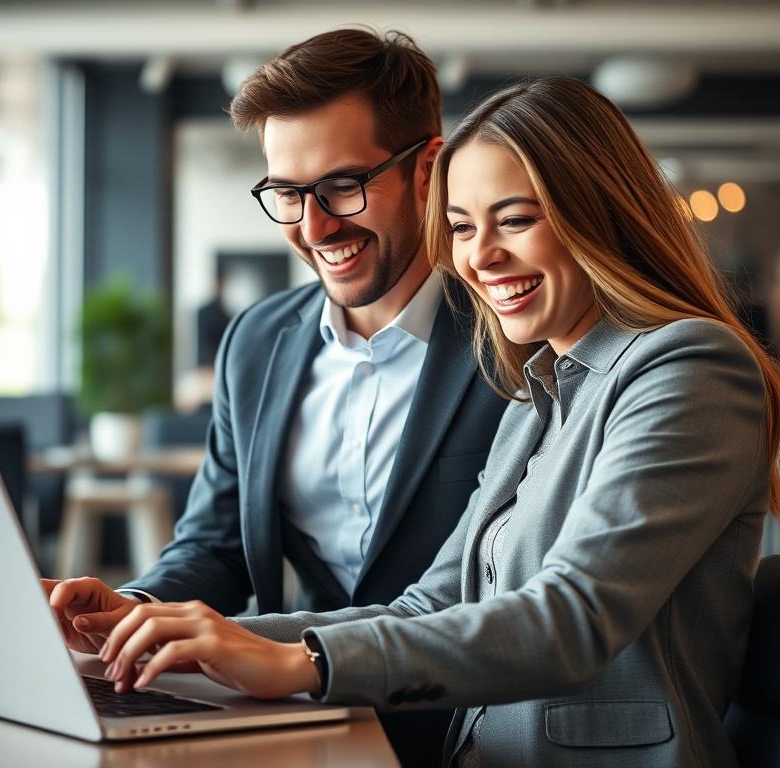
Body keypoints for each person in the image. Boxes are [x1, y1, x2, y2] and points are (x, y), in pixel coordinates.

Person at [73, 76, 780, 767]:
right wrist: (185, 633)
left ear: (597, 212)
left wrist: (299, 664)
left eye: (515, 219)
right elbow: (432, 601)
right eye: (464, 227)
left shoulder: (690, 366)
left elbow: (572, 619)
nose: (479, 256)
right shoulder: (539, 385)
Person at [45, 28, 507, 763]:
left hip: (473, 727)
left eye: (342, 186)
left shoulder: (514, 340)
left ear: (429, 170)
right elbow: (215, 543)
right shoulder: (256, 343)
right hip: (302, 719)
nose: (315, 227)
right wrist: (133, 612)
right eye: (287, 194)